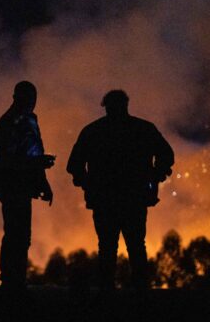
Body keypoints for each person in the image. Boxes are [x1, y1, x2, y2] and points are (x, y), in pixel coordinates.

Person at [66, 89, 174, 293]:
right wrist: (156, 174)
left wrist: (86, 183)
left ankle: (107, 295)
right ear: (126, 105)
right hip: (135, 199)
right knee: (136, 246)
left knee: (107, 248)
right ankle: (141, 295)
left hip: (104, 201)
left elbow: (74, 165)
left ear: (106, 107)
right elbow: (167, 155)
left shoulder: (93, 131)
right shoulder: (143, 129)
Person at [0, 81, 55, 300]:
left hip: (21, 184)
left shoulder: (28, 120)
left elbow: (34, 151)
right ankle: (10, 282)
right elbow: (9, 159)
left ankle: (15, 281)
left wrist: (42, 181)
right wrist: (37, 166)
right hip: (12, 185)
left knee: (20, 235)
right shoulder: (10, 123)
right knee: (15, 234)